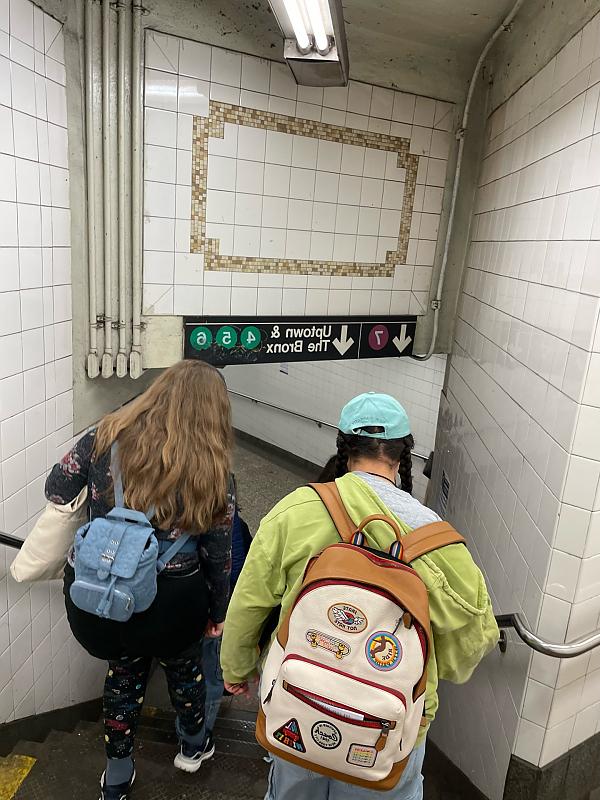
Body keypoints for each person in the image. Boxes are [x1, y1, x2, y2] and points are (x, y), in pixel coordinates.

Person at [220, 392, 498, 800]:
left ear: (343, 447)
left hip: (300, 702)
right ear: (404, 455)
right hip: (389, 730)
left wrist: (237, 668)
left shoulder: (298, 509)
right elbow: (469, 647)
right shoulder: (437, 539)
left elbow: (249, 601)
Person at [44, 361, 234, 800]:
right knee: (184, 667)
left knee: (124, 670)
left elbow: (56, 489)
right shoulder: (215, 468)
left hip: (106, 587)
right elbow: (217, 554)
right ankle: (191, 748)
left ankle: (116, 774)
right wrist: (218, 613)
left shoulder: (104, 435)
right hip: (176, 599)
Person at [202, 502, 252, 736]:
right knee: (211, 676)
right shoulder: (229, 523)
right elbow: (239, 570)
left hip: (182, 610)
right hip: (215, 616)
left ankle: (191, 731)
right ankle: (200, 736)